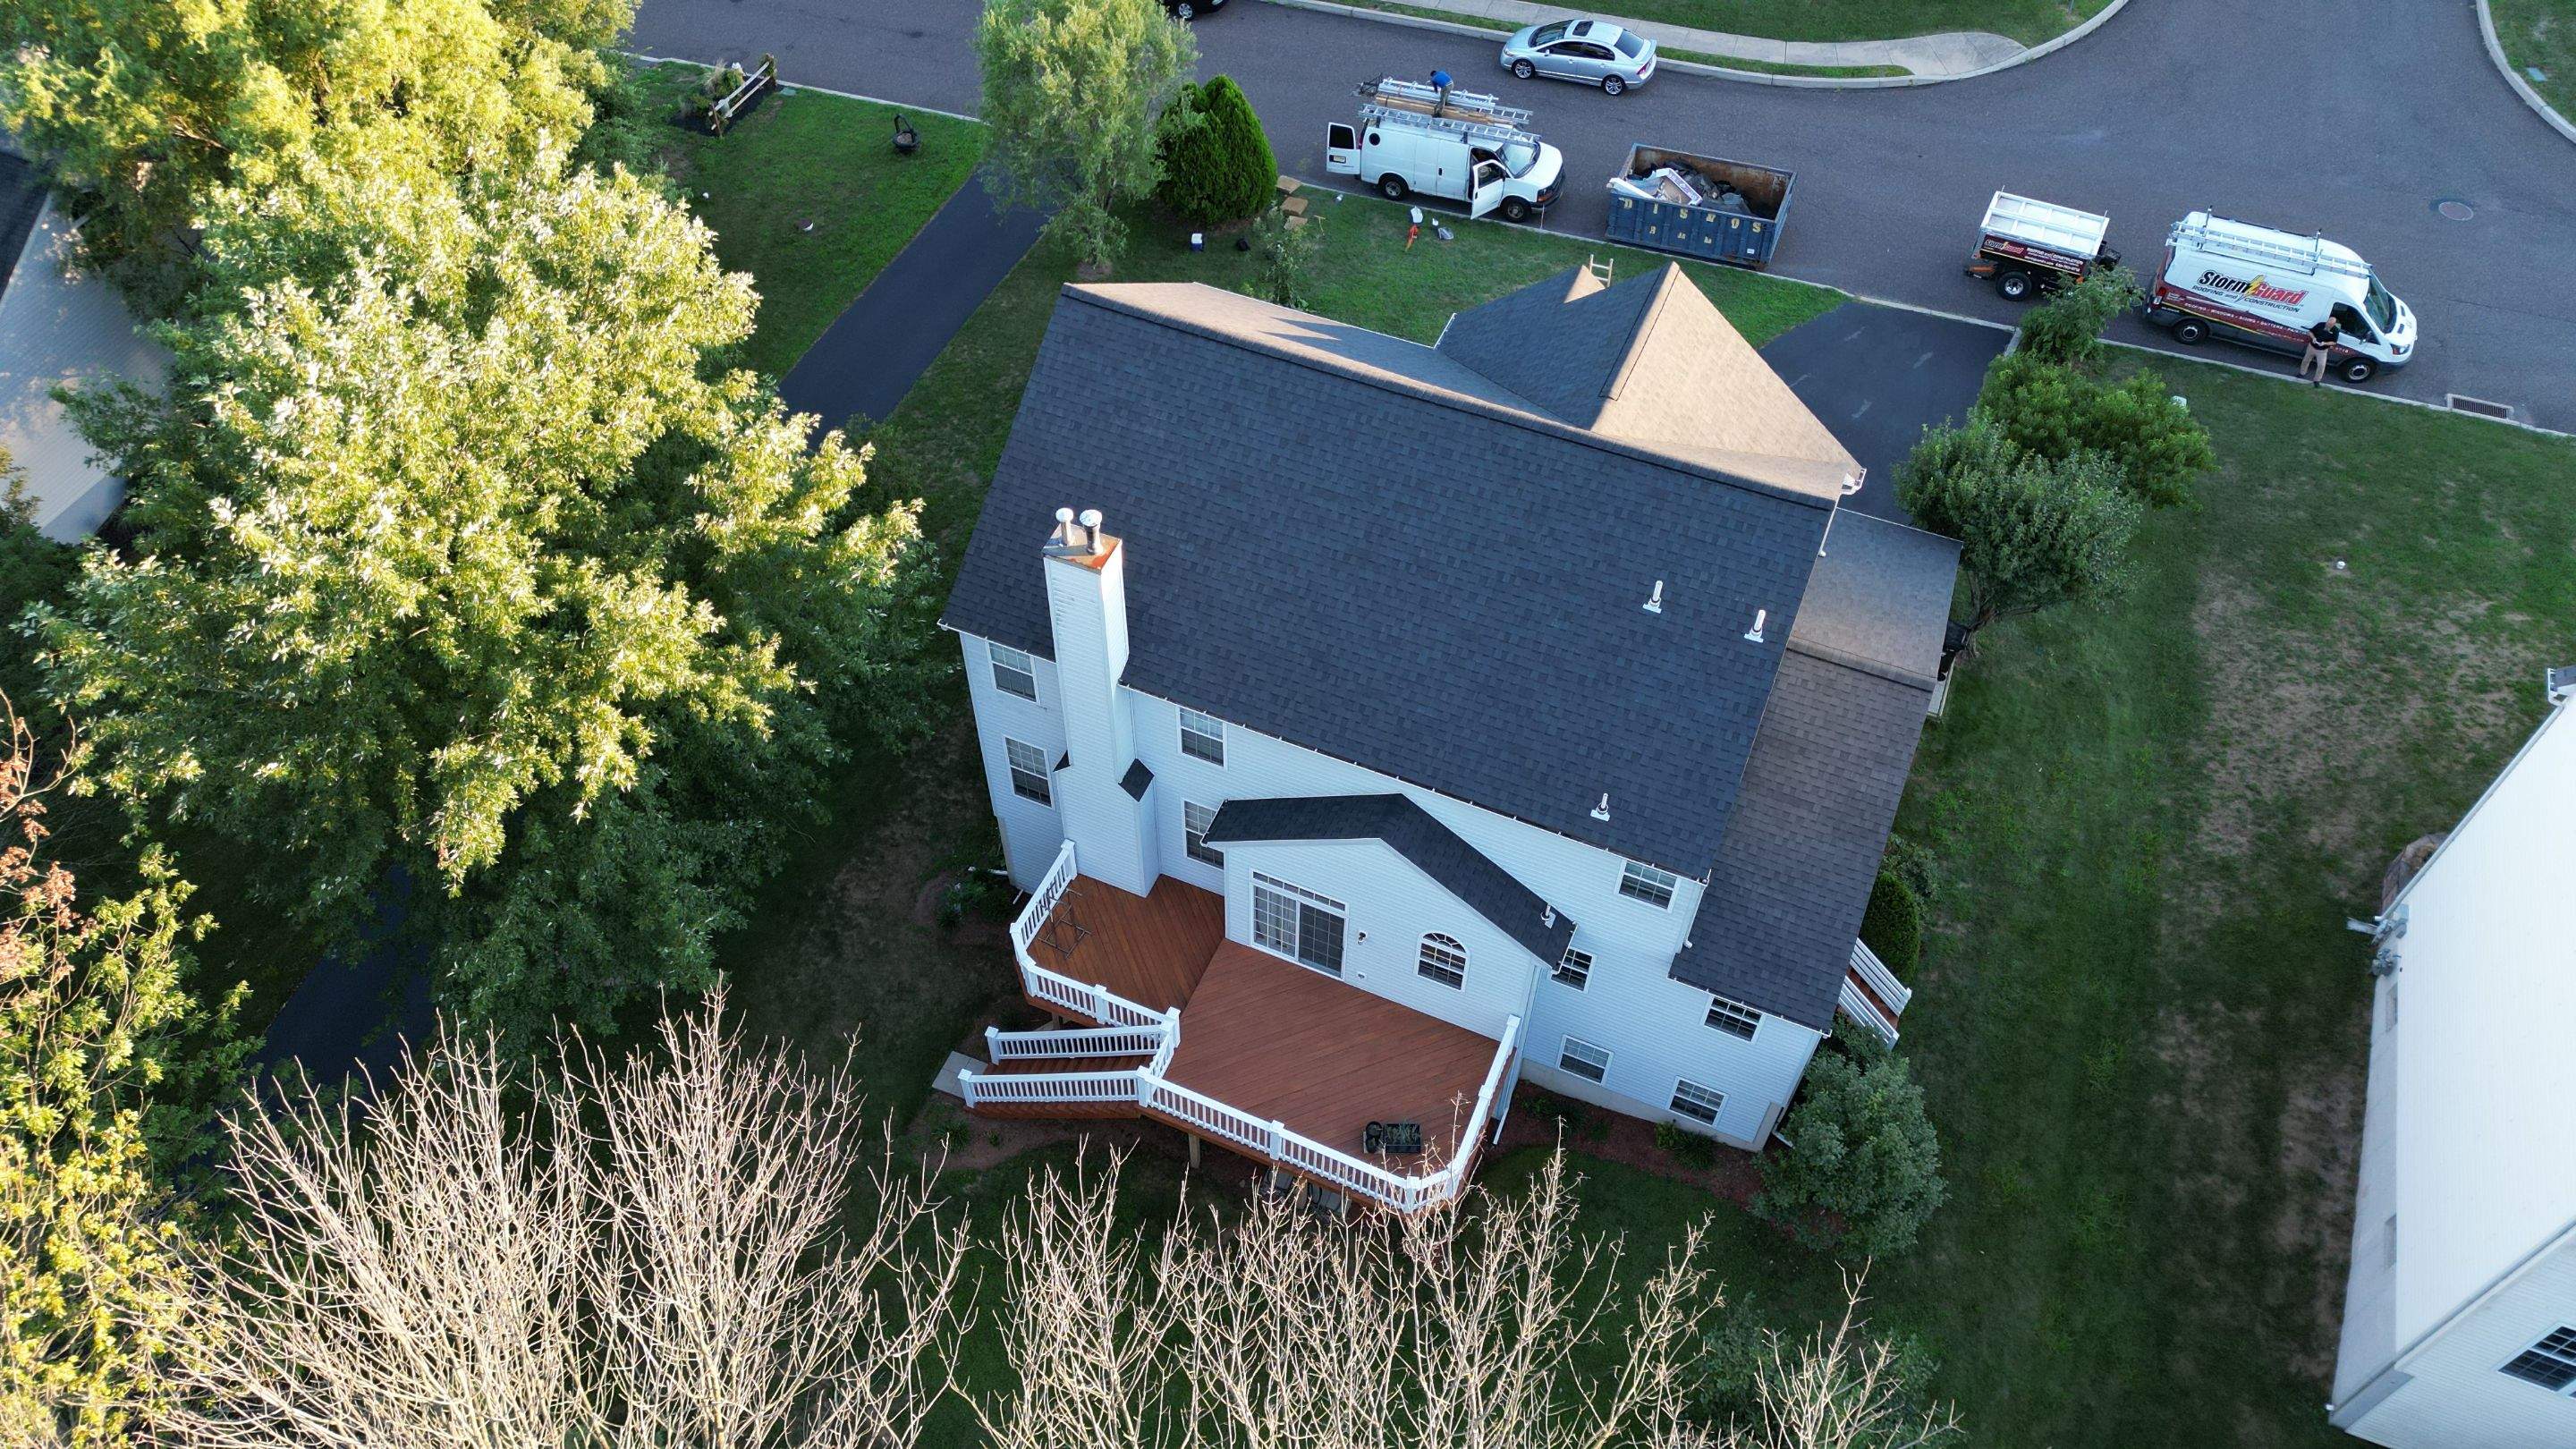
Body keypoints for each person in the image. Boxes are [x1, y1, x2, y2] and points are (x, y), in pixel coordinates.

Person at [2300, 314, 2341, 386]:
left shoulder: (2335, 330)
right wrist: (2313, 338)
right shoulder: (2320, 325)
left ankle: (2317, 381)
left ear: (2334, 324)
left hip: (2322, 351)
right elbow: (2311, 332)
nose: (2328, 325)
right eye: (2328, 323)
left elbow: (2334, 342)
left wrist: (2325, 343)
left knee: (2321, 365)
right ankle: (2302, 373)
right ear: (2327, 321)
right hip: (2312, 347)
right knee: (2305, 361)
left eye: (2330, 325)